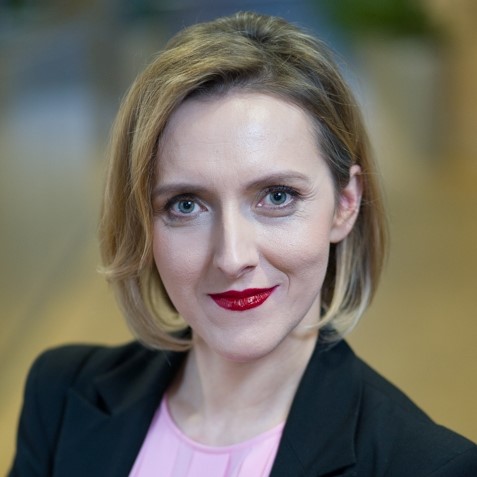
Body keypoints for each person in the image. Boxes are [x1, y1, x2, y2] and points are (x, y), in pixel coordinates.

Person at [9, 11, 477, 477]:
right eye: (186, 205)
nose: (232, 258)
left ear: (345, 204)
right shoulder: (61, 397)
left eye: (277, 197)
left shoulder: (428, 467)